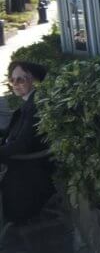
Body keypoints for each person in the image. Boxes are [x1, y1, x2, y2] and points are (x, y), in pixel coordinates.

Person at [0, 61, 54, 223]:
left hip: (27, 169)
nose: (15, 84)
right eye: (13, 80)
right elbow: (13, 133)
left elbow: (23, 144)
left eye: (21, 79)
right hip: (19, 160)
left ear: (34, 80)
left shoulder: (35, 107)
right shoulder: (30, 103)